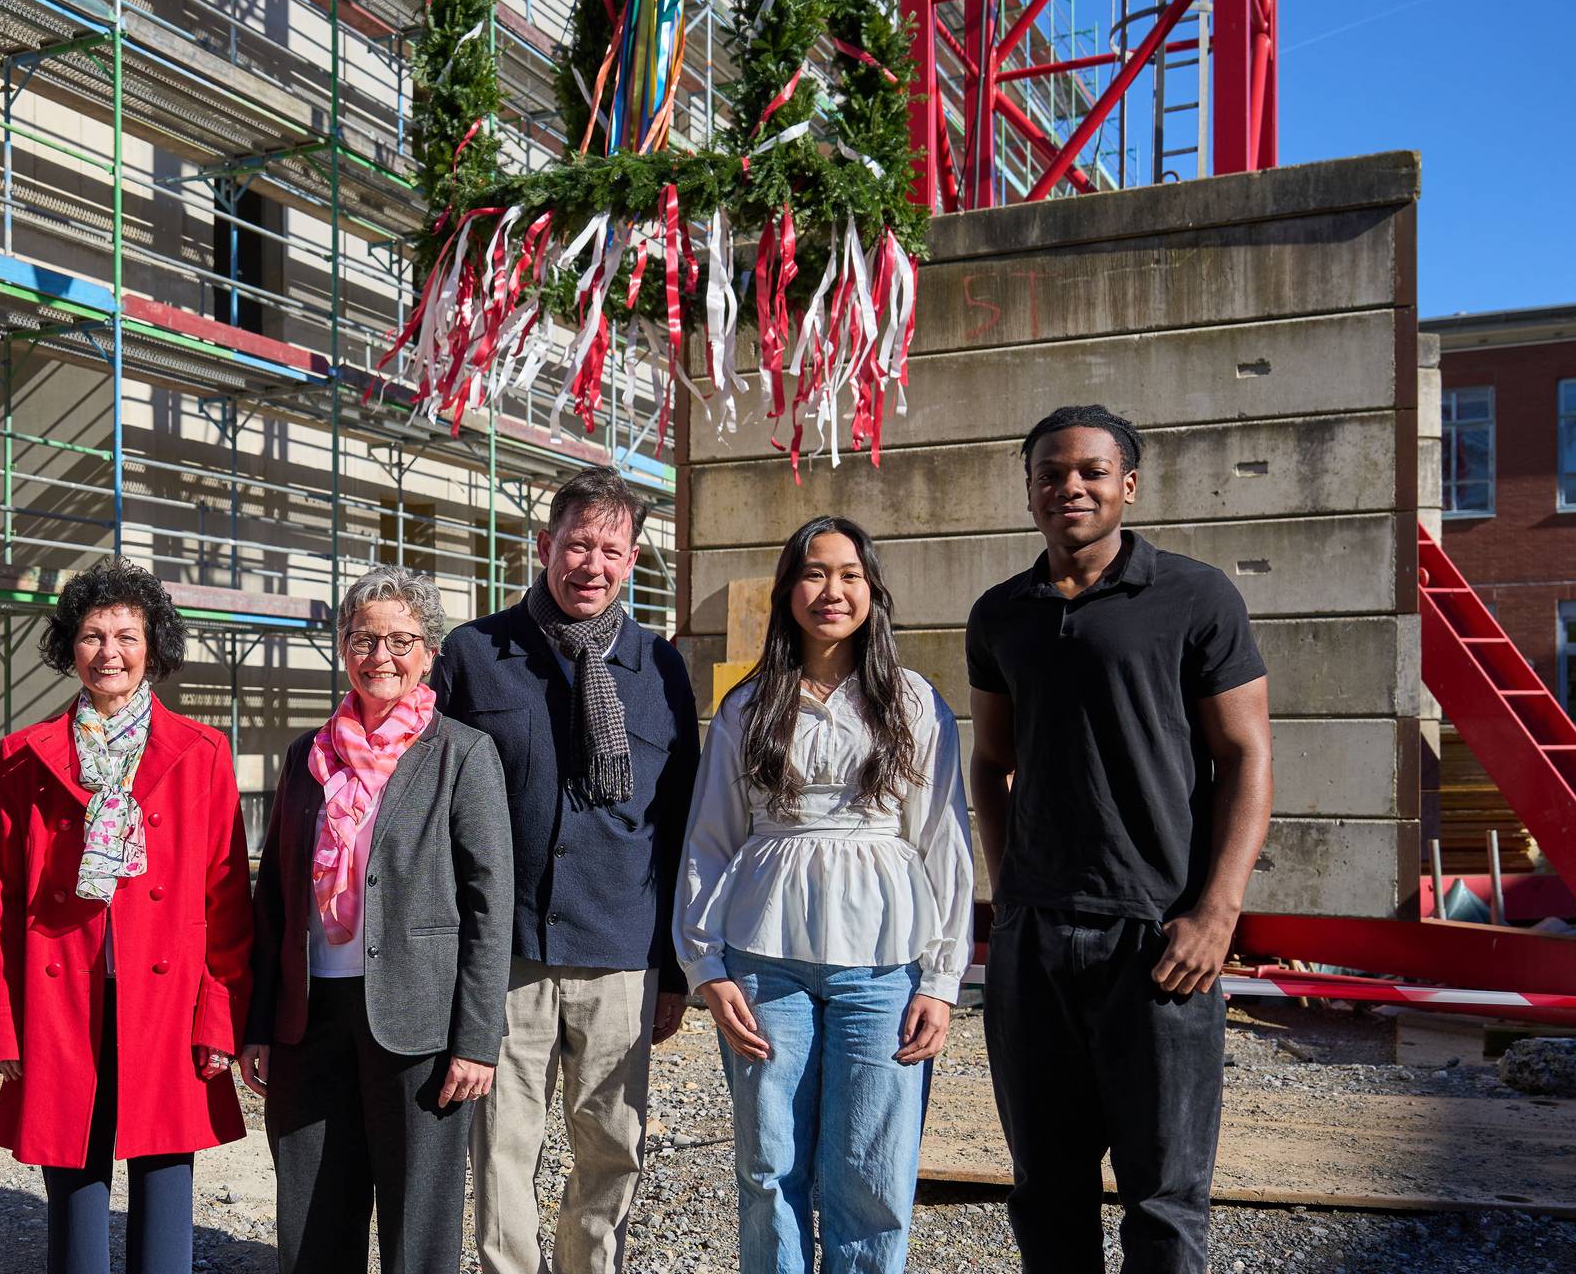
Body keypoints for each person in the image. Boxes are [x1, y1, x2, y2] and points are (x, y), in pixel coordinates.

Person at [967, 406, 1274, 1273]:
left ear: (1127, 486)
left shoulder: (1196, 597)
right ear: (1029, 491)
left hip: (1158, 936)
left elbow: (1247, 756)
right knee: (1046, 1189)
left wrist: (1217, 913)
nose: (1069, 486)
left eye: (1091, 471)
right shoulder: (1001, 614)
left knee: (1165, 1196)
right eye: (1050, 473)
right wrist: (1010, 891)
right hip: (1035, 941)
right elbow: (990, 762)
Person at [673, 516, 973, 1274]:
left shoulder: (913, 702)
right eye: (813, 573)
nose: (831, 591)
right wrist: (705, 965)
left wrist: (942, 979)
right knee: (768, 1166)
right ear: (787, 591)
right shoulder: (748, 706)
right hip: (764, 964)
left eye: (849, 575)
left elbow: (943, 839)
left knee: (872, 1172)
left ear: (873, 592)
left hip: (885, 968)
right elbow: (710, 837)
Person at [431, 465, 702, 1274]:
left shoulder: (659, 668)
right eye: (578, 544)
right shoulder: (475, 655)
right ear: (546, 544)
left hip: (620, 951)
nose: (592, 565)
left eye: (611, 551)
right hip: (505, 949)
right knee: (502, 1147)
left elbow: (679, 822)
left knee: (613, 1145)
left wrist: (675, 970)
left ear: (633, 560)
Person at [0, 559, 254, 1274]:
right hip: (59, 1000)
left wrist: (220, 1017)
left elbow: (227, 897)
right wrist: (5, 1023)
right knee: (72, 1176)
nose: (110, 652)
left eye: (127, 636)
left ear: (152, 647)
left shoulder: (201, 752)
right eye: (93, 635)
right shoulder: (23, 757)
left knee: (164, 1179)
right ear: (69, 646)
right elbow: (1, 901)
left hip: (167, 1002)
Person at [244, 565, 513, 1274]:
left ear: (429, 653)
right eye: (364, 639)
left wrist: (477, 1040)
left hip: (418, 1019)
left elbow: (490, 905)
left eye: (400, 640)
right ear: (343, 647)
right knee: (313, 1213)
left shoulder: (462, 753)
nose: (380, 656)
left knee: (417, 1219)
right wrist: (260, 1023)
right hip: (311, 1016)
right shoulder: (308, 755)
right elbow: (275, 899)